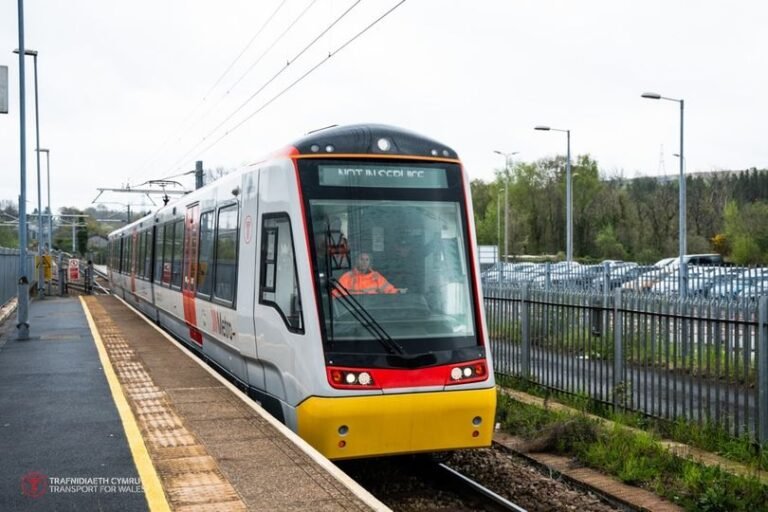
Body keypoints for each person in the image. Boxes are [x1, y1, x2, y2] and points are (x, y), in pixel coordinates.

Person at [335, 252, 404, 295]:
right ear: (356, 261)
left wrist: (399, 292)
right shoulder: (347, 277)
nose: (364, 262)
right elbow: (336, 293)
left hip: (372, 310)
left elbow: (389, 290)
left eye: (367, 260)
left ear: (370, 263)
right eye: (361, 259)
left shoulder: (376, 276)